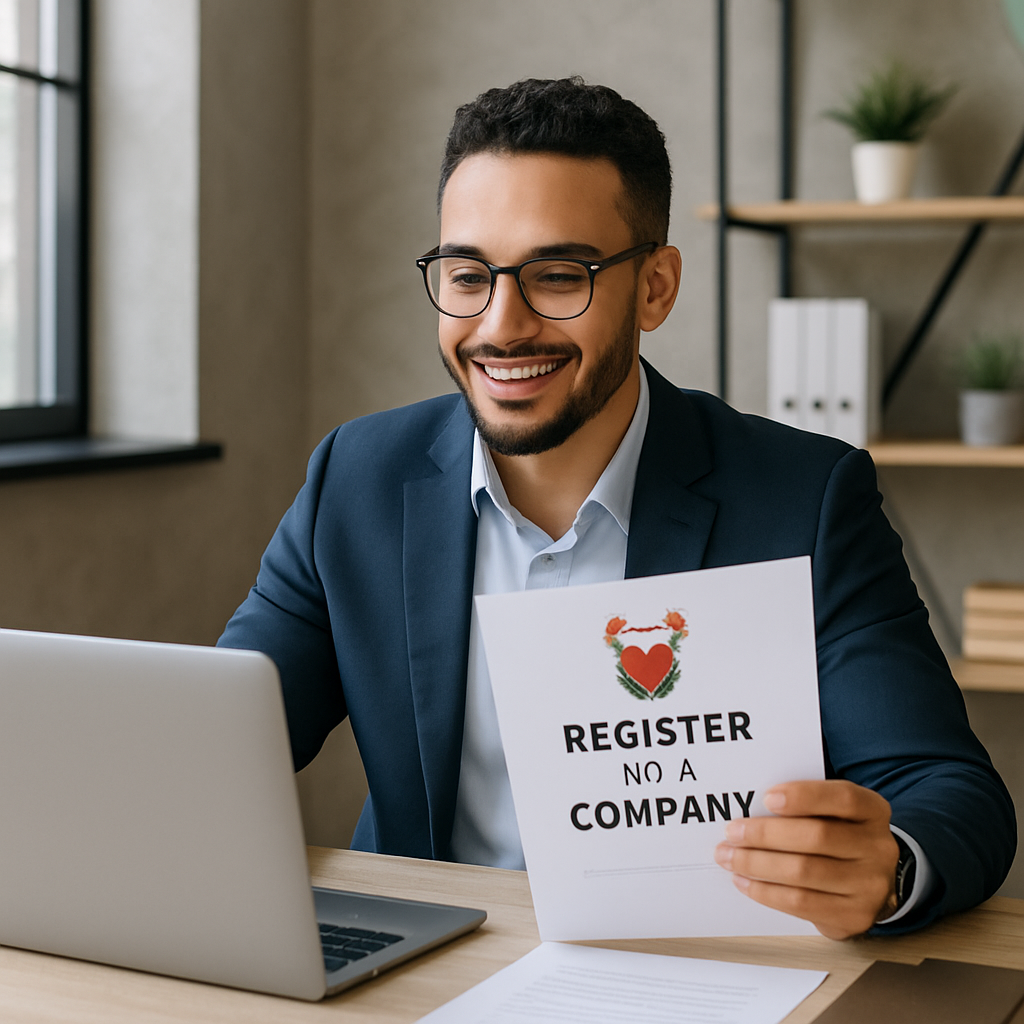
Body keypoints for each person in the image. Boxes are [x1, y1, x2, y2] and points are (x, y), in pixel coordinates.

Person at [219, 77, 1015, 940]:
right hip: (426, 966)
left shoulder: (804, 498)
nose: (502, 324)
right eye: (467, 274)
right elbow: (222, 738)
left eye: (560, 275)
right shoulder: (358, 478)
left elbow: (950, 791)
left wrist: (888, 867)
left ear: (656, 289)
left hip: (696, 967)